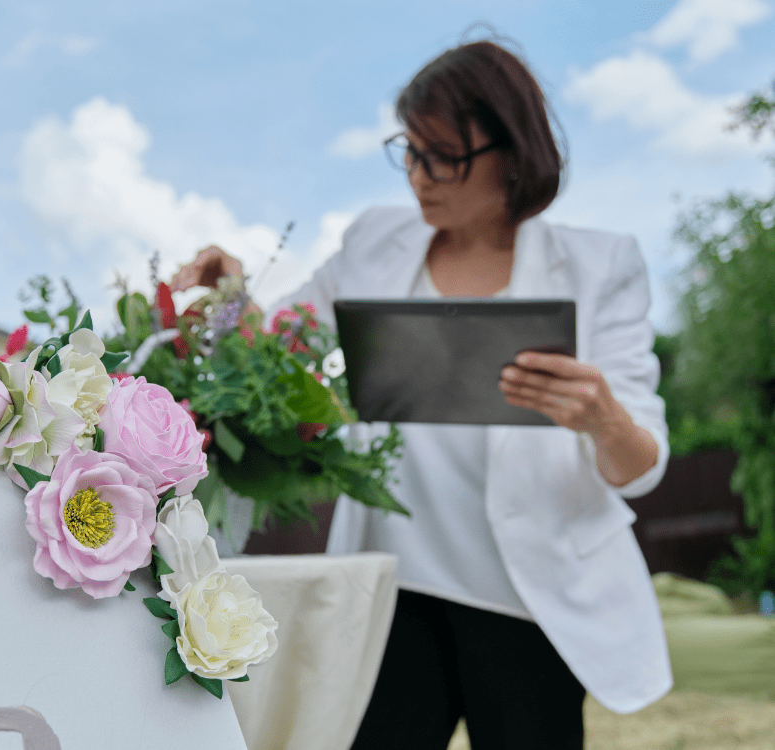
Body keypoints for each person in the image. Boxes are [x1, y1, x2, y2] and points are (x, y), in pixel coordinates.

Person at [171, 38, 671, 750]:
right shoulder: (376, 240)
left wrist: (603, 419)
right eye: (408, 150)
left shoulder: (600, 264)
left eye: (442, 157)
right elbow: (281, 343)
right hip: (397, 593)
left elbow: (641, 466)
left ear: (512, 152)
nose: (417, 176)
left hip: (532, 603)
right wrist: (232, 293)